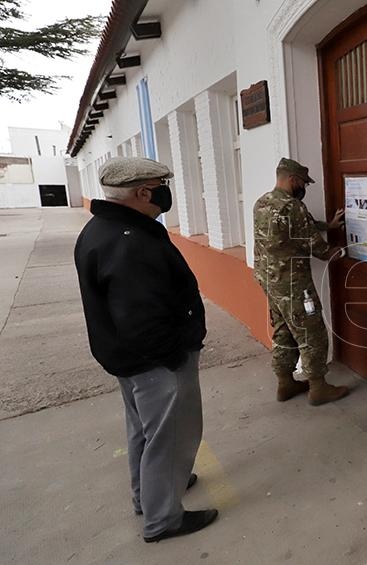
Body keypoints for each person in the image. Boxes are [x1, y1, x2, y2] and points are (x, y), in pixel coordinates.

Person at [73, 157, 218, 543]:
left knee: (144, 430)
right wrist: (172, 358)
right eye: (160, 185)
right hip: (156, 361)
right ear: (141, 193)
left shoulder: (104, 228)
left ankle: (149, 495)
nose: (165, 191)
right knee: (171, 435)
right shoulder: (129, 242)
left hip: (128, 359)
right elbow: (141, 316)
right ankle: (163, 519)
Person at [253, 158, 349, 405]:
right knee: (313, 331)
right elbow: (317, 247)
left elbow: (294, 227)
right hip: (293, 284)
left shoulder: (263, 202)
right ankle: (318, 387)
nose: (303, 188)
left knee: (284, 330)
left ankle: (285, 383)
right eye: (303, 183)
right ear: (293, 180)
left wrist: (327, 225)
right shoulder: (292, 207)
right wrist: (340, 252)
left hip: (269, 280)